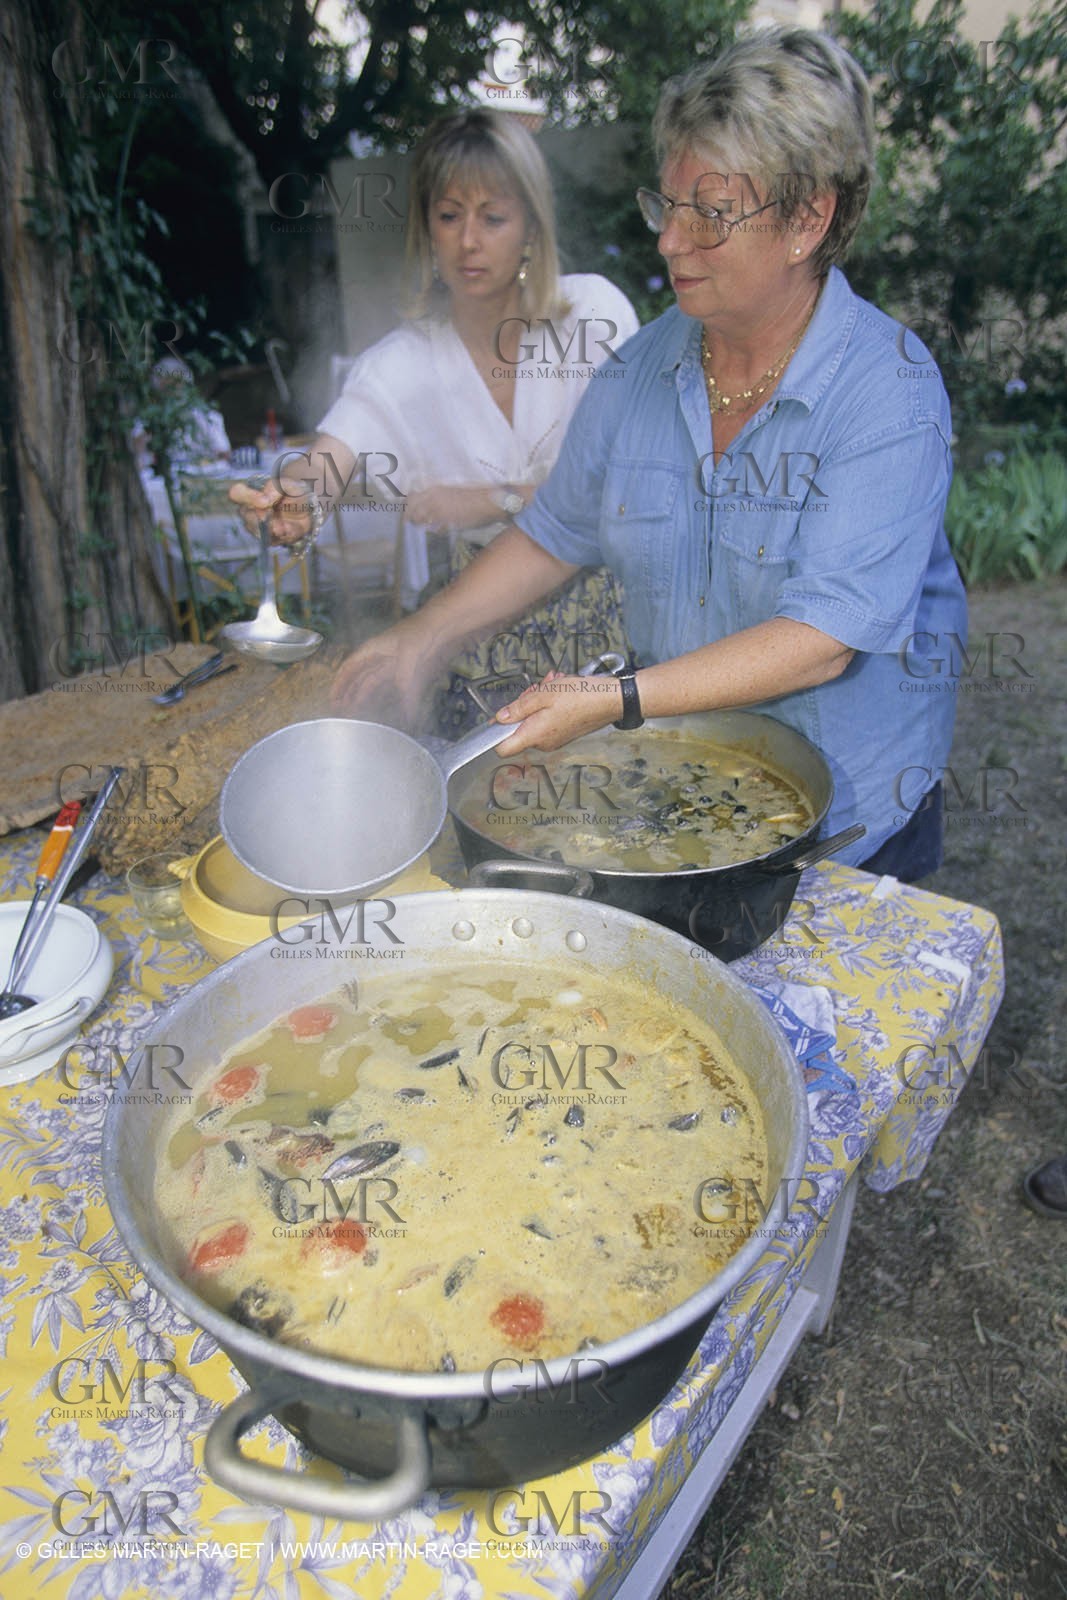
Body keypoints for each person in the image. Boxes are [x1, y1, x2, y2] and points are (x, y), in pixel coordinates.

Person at [320, 27, 966, 878]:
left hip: (850, 826)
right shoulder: (639, 369)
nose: (669, 242)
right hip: (688, 791)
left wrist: (612, 698)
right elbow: (555, 530)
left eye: (710, 214)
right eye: (666, 205)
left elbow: (822, 638)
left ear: (807, 219)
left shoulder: (888, 389)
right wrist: (419, 638)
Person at [231, 107, 638, 731]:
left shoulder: (593, 317)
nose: (468, 241)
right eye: (449, 216)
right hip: (471, 650)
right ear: (427, 228)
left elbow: (623, 494)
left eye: (493, 217)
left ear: (531, 225)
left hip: (606, 645)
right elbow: (332, 456)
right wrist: (297, 498)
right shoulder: (401, 363)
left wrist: (489, 499)